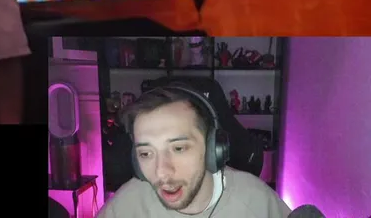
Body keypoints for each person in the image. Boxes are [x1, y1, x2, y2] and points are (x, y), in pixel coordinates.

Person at [100, 86, 291, 217]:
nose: (161, 172)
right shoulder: (125, 207)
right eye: (146, 153)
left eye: (178, 148)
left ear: (212, 148)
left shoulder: (257, 202)